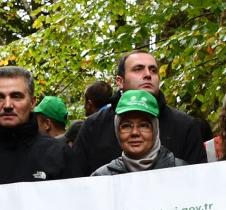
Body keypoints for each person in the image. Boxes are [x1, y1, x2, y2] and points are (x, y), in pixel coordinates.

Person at [69, 51, 209, 174]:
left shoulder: (184, 126)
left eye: (153, 70)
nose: (148, 74)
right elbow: (76, 182)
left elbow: (198, 183)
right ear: (120, 81)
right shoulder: (94, 126)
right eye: (138, 69)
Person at [90, 89, 186, 175]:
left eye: (143, 125)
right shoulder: (102, 177)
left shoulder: (182, 171)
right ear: (117, 131)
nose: (135, 133)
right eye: (126, 126)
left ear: (155, 130)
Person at [64, 79, 113, 147]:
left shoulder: (91, 126)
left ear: (89, 104)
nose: (84, 106)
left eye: (85, 101)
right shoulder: (118, 119)